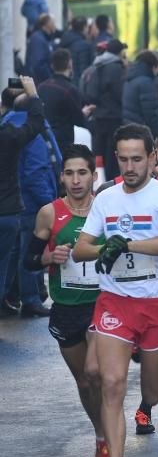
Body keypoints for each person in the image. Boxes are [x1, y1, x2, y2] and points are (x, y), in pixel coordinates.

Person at [72, 124, 158, 457]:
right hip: (115, 303)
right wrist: (104, 247)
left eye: (137, 158)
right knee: (112, 384)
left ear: (154, 156)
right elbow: (81, 249)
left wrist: (126, 244)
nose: (130, 166)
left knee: (150, 394)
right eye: (123, 159)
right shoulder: (106, 200)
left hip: (156, 306)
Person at [24, 145, 109, 457]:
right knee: (86, 383)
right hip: (67, 307)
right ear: (62, 177)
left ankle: (112, 438)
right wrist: (48, 258)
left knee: (95, 372)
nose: (76, 180)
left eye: (82, 173)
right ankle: (101, 434)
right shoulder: (49, 213)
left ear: (93, 175)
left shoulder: (106, 209)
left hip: (103, 305)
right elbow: (29, 260)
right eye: (70, 173)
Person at [2, 84, 62, 317]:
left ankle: (13, 294)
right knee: (30, 250)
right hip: (32, 202)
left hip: (17, 202)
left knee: (14, 252)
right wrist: (48, 203)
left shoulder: (8, 123)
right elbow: (36, 170)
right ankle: (31, 299)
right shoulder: (32, 129)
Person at [85, 40, 127, 180]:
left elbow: (90, 92)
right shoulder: (116, 68)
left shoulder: (97, 65)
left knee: (98, 156)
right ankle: (111, 183)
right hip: (114, 117)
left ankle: (97, 183)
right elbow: (121, 93)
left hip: (99, 116)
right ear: (120, 52)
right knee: (112, 157)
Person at [38, 49, 93, 148]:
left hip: (42, 139)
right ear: (70, 63)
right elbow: (78, 120)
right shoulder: (69, 90)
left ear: (52, 65)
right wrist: (84, 114)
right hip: (62, 142)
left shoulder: (41, 87)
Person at [122, 50, 158, 134]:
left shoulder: (129, 79)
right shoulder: (146, 82)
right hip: (141, 130)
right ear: (153, 67)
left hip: (127, 126)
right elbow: (151, 112)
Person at [61, 16, 96, 84]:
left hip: (65, 82)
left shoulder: (64, 40)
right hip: (78, 84)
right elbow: (85, 69)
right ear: (84, 28)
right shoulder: (85, 45)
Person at [26, 14, 56, 83]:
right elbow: (39, 64)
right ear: (48, 24)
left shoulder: (44, 38)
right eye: (53, 22)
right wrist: (51, 79)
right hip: (39, 83)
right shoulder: (38, 39)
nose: (55, 25)